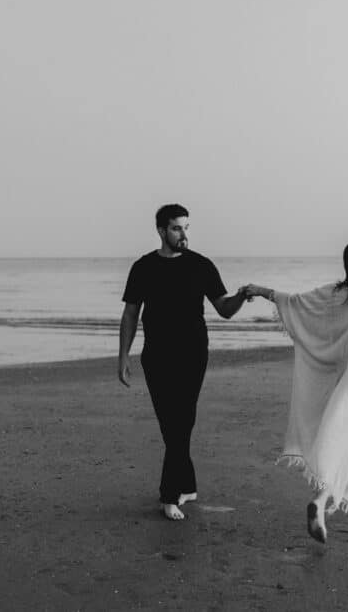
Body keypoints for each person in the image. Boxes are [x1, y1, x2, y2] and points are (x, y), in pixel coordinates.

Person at [244, 239, 348, 543]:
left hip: (343, 385)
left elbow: (297, 304)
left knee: (345, 445)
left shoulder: (335, 297)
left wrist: (262, 291)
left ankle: (321, 500)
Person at [119, 204, 248, 521]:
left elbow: (224, 309)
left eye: (187, 227)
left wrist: (242, 296)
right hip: (157, 356)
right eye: (177, 228)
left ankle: (169, 495)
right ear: (162, 231)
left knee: (182, 421)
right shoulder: (143, 267)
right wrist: (122, 355)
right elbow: (131, 313)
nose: (184, 234)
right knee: (171, 424)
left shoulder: (201, 266)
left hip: (193, 355)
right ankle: (186, 484)